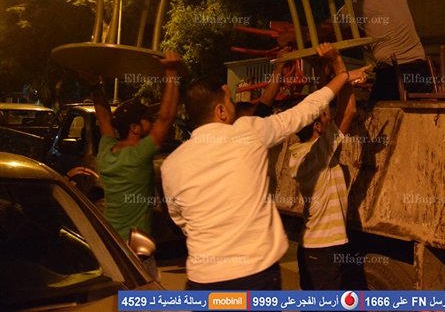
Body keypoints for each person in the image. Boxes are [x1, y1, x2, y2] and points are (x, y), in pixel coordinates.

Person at [161, 45, 369, 291]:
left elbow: (182, 221)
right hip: (254, 277)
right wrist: (344, 75)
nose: (234, 106)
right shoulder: (248, 132)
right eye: (230, 101)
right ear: (220, 111)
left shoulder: (171, 165)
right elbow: (306, 110)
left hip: (201, 282)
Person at [81, 51, 182, 279]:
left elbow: (104, 119)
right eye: (146, 119)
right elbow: (167, 116)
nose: (152, 122)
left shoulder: (106, 151)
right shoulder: (139, 156)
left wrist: (95, 85)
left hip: (111, 242)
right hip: (136, 250)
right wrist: (171, 71)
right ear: (135, 128)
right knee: (146, 295)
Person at [288, 43, 356, 290]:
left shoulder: (301, 152)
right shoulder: (316, 155)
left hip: (315, 248)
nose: (330, 116)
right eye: (326, 117)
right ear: (317, 126)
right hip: (322, 251)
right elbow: (349, 111)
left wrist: (321, 72)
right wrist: (337, 60)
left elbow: (320, 106)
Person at [337, 0, 430, 100]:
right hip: (421, 69)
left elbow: (328, 28)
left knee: (374, 110)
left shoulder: (357, 5)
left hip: (394, 72)